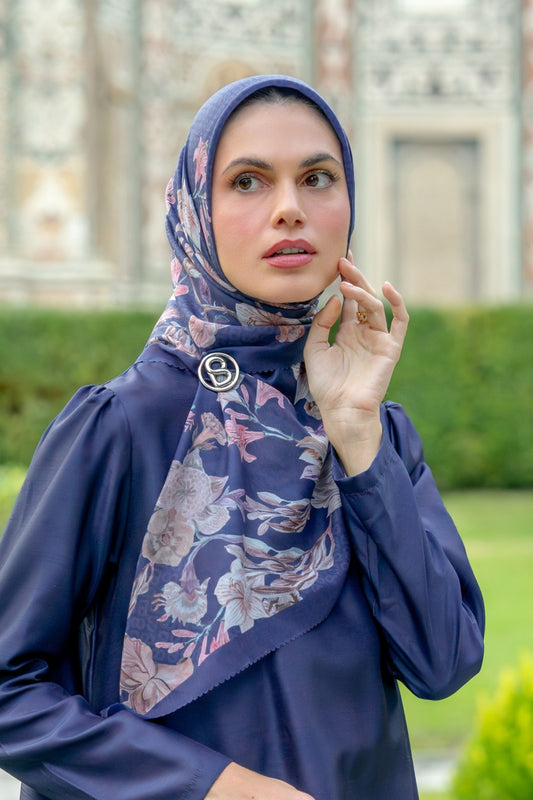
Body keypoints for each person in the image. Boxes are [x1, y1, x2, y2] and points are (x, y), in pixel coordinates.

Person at [0, 74, 484, 800]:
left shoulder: (375, 434)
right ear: (195, 209)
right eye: (248, 181)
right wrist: (214, 787)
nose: (290, 209)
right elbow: (10, 692)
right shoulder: (123, 427)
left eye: (317, 178)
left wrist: (357, 439)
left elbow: (442, 663)